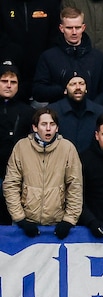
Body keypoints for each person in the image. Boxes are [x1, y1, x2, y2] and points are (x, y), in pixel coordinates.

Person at [3, 108, 84, 238]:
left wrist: (69, 220)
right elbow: (11, 184)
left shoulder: (68, 148)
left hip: (56, 223)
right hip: (25, 224)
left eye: (52, 124)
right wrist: (20, 218)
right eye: (43, 124)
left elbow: (75, 186)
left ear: (57, 128)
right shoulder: (21, 147)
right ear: (35, 127)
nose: (48, 128)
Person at [32, 7, 103, 106]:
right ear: (61, 28)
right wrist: (63, 90)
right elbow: (38, 91)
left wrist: (92, 108)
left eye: (78, 27)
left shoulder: (98, 58)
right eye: (69, 28)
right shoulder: (48, 57)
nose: (74, 32)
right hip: (59, 116)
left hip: (91, 116)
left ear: (83, 27)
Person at [0, 68, 34, 221]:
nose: (8, 85)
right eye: (4, 81)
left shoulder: (28, 112)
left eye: (13, 82)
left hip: (18, 176)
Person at [49, 75, 103, 153]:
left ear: (86, 89)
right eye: (73, 84)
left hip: (91, 162)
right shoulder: (52, 112)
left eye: (81, 83)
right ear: (65, 90)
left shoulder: (99, 112)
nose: (78, 87)